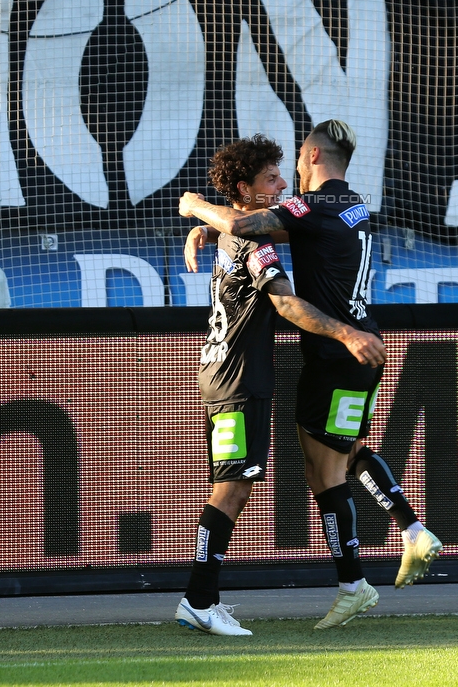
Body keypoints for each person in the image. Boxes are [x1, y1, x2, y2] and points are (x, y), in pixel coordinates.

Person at [180, 119, 443, 631]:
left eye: (293, 166)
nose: (288, 179)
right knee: (340, 455)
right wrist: (214, 227)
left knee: (326, 470)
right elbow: (260, 226)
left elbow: (252, 233)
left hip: (336, 351)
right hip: (357, 347)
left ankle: (354, 582)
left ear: (313, 156)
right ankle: (407, 531)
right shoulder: (355, 206)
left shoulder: (310, 207)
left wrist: (196, 208)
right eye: (274, 175)